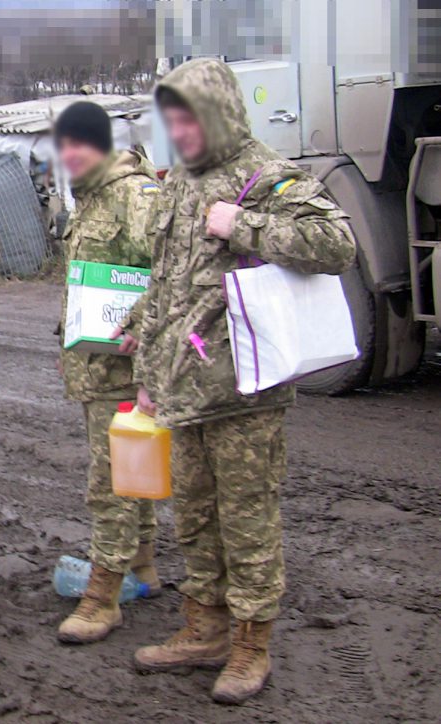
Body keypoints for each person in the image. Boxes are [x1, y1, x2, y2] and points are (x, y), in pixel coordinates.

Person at [115, 58, 356, 704]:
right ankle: (206, 629)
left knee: (247, 523)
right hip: (184, 391)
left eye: (188, 118)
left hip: (246, 391)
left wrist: (243, 224)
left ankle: (251, 646)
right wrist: (147, 363)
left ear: (218, 113)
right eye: (171, 120)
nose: (179, 132)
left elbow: (336, 243)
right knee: (194, 518)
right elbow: (168, 287)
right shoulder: (177, 185)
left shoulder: (266, 176)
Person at [51, 101, 162, 644]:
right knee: (132, 470)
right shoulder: (90, 199)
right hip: (97, 363)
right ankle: (143, 566)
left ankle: (103, 596)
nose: (70, 154)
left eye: (79, 143)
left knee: (110, 482)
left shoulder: (134, 196)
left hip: (126, 367)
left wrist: (142, 324)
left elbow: (171, 269)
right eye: (63, 145)